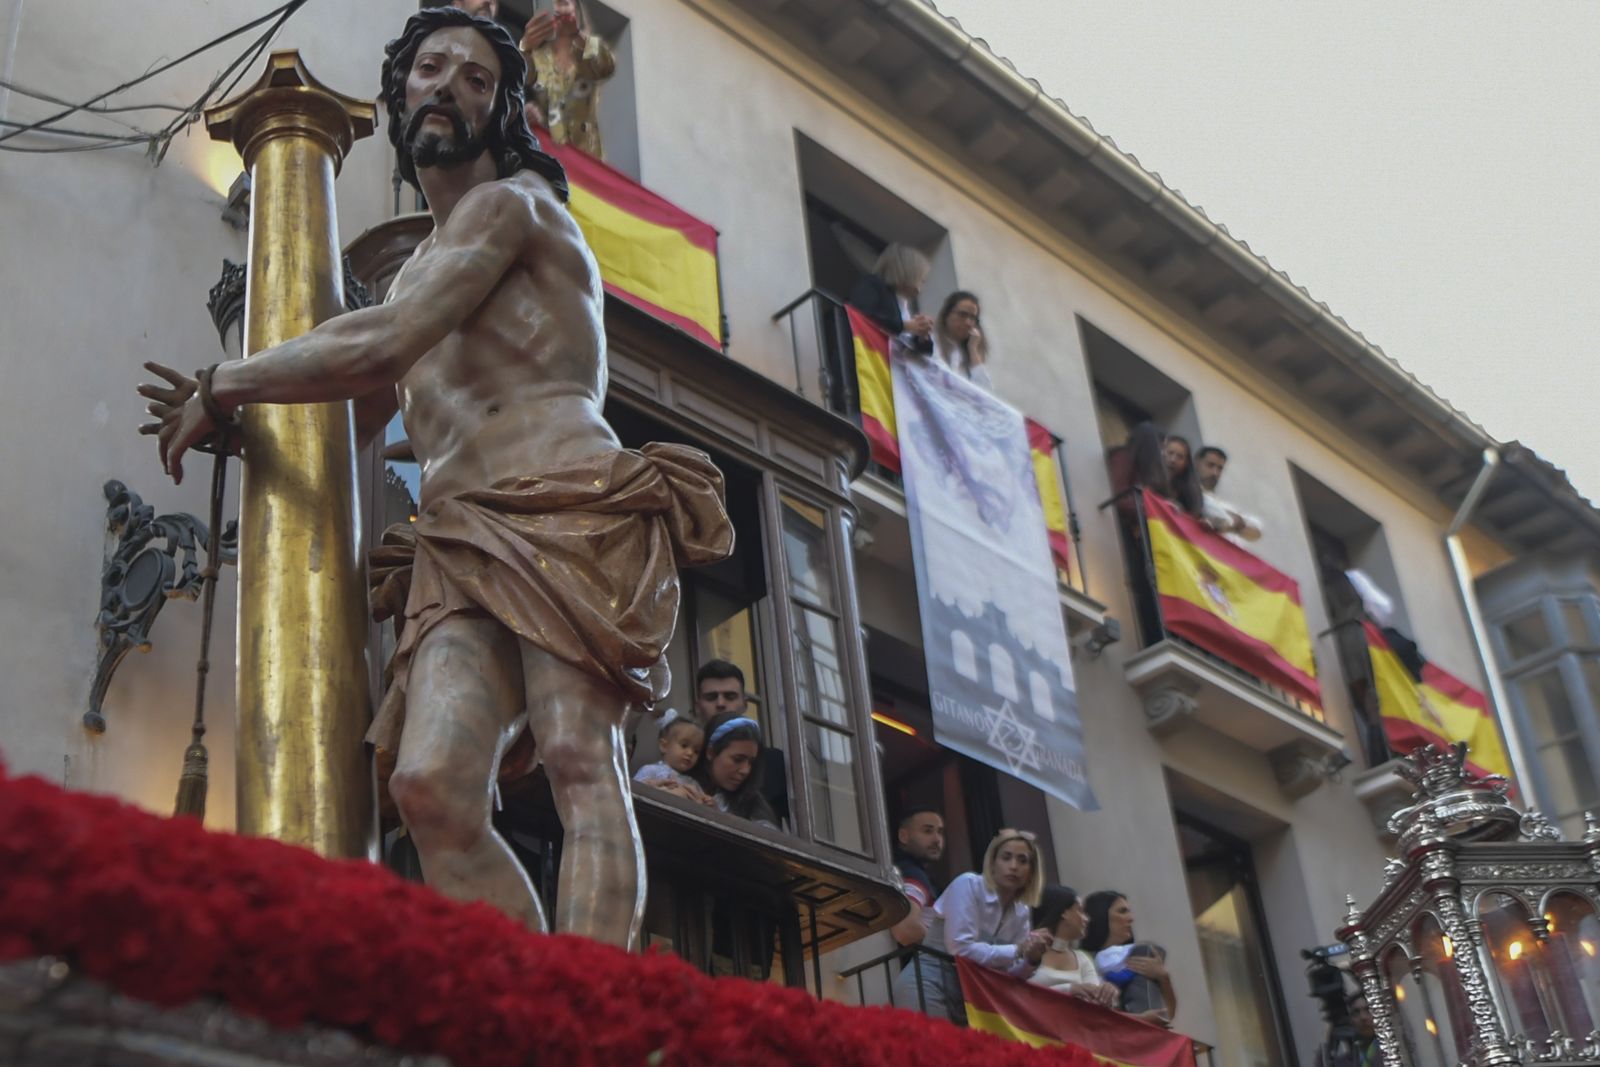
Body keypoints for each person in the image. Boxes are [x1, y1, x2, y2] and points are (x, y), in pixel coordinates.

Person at [137, 7, 734, 948]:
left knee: (580, 756)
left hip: (565, 504)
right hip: (457, 543)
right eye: (430, 69)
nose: (448, 86)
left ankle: (586, 1003)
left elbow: (383, 342)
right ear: (401, 92)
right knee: (429, 784)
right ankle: (525, 997)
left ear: (502, 112)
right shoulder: (417, 266)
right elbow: (359, 414)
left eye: (475, 78)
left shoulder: (512, 208)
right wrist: (248, 436)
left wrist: (227, 383)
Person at [896, 829, 1052, 1022]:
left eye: (1023, 861)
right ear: (992, 864)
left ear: (1031, 872)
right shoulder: (968, 884)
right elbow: (960, 949)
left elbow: (1008, 974)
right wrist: (1018, 949)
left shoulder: (1022, 911)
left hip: (970, 997)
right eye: (1006, 857)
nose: (1013, 866)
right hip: (927, 983)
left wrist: (1031, 959)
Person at [520, 0, 615, 159]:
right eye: (554, 4)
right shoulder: (539, 56)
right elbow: (519, 75)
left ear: (577, 11)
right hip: (549, 151)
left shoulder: (587, 49)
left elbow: (606, 67)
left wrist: (577, 35)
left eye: (564, 3)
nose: (559, 9)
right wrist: (525, 45)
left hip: (587, 154)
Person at [1082, 891, 1178, 1026]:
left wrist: (1164, 977)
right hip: (1112, 1032)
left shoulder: (1138, 953)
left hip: (1146, 1032)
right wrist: (1143, 1019)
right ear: (1101, 915)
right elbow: (1090, 1016)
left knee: (1146, 950)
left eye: (1129, 911)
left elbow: (1168, 1015)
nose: (1131, 918)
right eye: (1122, 911)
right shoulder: (1084, 959)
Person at [1030, 885, 1117, 1006]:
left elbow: (1094, 1002)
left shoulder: (1082, 958)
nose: (1086, 919)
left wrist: (1105, 995)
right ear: (1064, 912)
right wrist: (1069, 989)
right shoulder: (1028, 950)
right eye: (1080, 910)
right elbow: (1020, 994)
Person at [692, 711, 780, 829]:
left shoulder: (756, 808)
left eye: (751, 762)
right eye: (737, 760)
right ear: (711, 752)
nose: (745, 770)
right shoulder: (681, 783)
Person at [847, 243, 933, 344]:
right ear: (910, 273)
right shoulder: (872, 284)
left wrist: (922, 334)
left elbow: (909, 342)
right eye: (922, 280)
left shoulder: (902, 303)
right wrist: (904, 326)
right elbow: (863, 314)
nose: (921, 288)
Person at [889, 807, 946, 947]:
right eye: (927, 831)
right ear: (903, 836)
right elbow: (905, 928)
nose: (937, 839)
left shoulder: (906, 871)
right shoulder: (912, 873)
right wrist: (949, 954)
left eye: (940, 832)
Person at [632, 710, 714, 806]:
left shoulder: (692, 783)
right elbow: (632, 793)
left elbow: (701, 805)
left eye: (696, 751)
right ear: (664, 746)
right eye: (684, 745)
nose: (690, 753)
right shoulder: (650, 770)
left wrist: (707, 802)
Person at [1195, 445, 1263, 545]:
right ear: (1197, 464)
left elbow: (1257, 529)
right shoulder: (1190, 494)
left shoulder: (1222, 504)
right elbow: (1216, 513)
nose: (1215, 473)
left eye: (1220, 468)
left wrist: (1229, 525)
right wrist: (1236, 524)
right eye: (1210, 465)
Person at [929, 290, 992, 391]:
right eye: (962, 315)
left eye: (973, 318)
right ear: (946, 315)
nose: (968, 322)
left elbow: (985, 392)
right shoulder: (930, 342)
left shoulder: (968, 352)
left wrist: (973, 349)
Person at [1161, 435, 1205, 518]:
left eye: (1180, 457)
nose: (1173, 460)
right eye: (1170, 453)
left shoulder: (1191, 491)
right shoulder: (1148, 479)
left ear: (1186, 463)